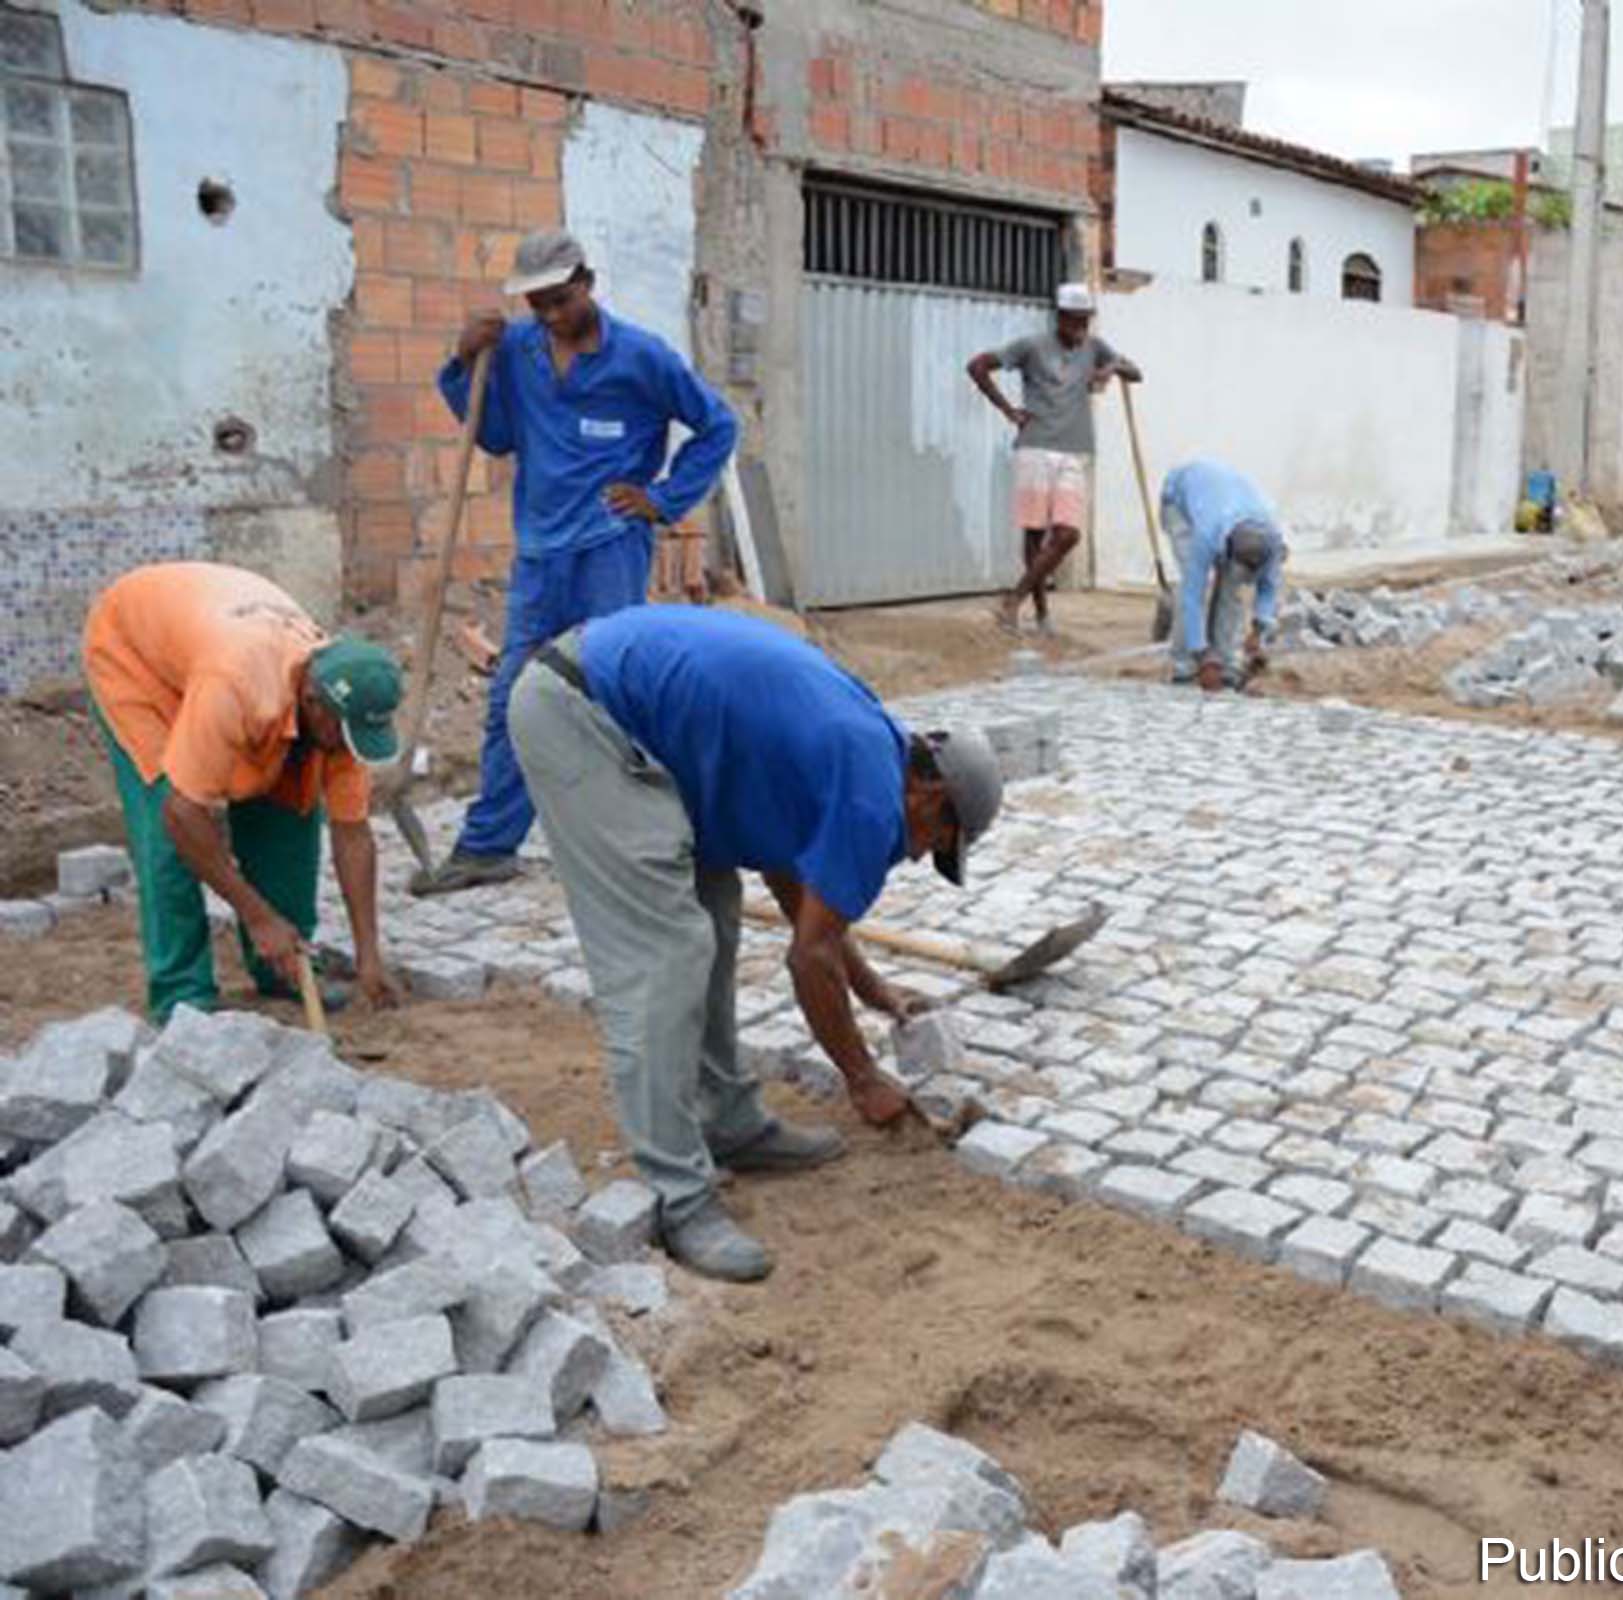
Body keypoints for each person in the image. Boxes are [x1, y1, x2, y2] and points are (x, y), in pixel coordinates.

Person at [509, 605, 1003, 1281]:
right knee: (666, 955)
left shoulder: (876, 748)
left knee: (714, 909)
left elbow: (798, 886)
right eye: (935, 844)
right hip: (585, 719)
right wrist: (862, 1077)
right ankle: (680, 1197)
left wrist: (873, 989)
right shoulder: (871, 797)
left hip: (643, 723)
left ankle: (730, 1121)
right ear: (930, 794)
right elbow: (809, 958)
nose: (919, 858)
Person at [411, 229, 740, 897]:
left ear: (587, 283)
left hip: (609, 550)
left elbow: (719, 425)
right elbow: (497, 435)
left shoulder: (642, 358)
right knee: (512, 699)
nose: (550, 316)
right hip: (539, 556)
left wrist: (663, 499)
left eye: (560, 300)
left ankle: (645, 841)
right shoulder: (520, 351)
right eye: (538, 306)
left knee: (612, 694)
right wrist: (462, 361)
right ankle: (487, 846)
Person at [83, 564, 405, 1021]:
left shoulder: (343, 707)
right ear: (312, 703)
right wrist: (257, 916)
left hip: (214, 637)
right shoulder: (236, 686)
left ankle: (284, 970)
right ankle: (182, 996)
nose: (347, 748)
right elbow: (184, 814)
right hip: (139, 662)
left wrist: (368, 954)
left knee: (292, 808)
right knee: (168, 830)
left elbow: (352, 835)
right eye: (343, 734)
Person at [968, 284, 1142, 637]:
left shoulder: (1094, 347)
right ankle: (1041, 614)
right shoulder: (1031, 346)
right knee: (1034, 535)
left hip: (1074, 450)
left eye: (1086, 321)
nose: (1081, 329)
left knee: (1067, 535)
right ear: (1059, 317)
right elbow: (977, 366)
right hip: (1034, 446)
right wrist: (1008, 411)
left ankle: (1012, 600)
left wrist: (1112, 369)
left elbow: (1136, 373)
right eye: (1075, 321)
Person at [1159, 459, 1288, 692]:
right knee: (1201, 585)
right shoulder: (1206, 535)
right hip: (1180, 501)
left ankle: (1227, 664)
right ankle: (1184, 669)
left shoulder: (1272, 543)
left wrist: (1259, 631)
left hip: (1223, 501)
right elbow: (1192, 597)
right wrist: (1202, 655)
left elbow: (1268, 588)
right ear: (1226, 548)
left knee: (1232, 590)